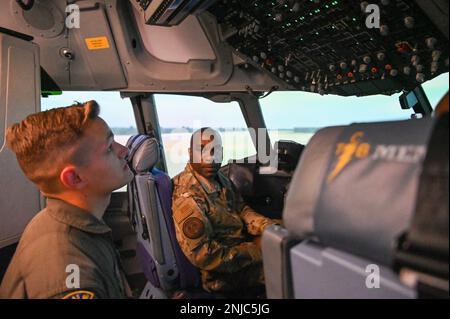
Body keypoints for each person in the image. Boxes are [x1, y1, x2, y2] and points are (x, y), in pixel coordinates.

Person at [0, 101, 134, 299]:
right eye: (109, 148)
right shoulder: (67, 267)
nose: (123, 150)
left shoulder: (80, 225)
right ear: (75, 178)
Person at [172, 127, 280, 295]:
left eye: (216, 151)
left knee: (286, 234)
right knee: (288, 265)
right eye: (202, 150)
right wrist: (256, 250)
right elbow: (205, 256)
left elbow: (241, 209)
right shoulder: (188, 196)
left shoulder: (218, 178)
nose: (210, 157)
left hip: (239, 249)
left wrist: (269, 228)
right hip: (219, 275)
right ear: (189, 153)